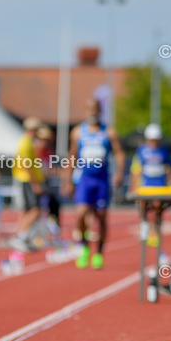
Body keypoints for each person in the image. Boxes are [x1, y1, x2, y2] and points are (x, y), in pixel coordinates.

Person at [65, 99, 124, 269]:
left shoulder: (109, 132)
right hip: (84, 179)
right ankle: (84, 246)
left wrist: (119, 172)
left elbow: (119, 153)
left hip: (102, 180)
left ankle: (98, 252)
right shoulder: (78, 132)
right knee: (81, 213)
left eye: (95, 109)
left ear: (100, 111)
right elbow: (72, 156)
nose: (92, 112)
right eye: (89, 109)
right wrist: (68, 180)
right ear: (85, 111)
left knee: (101, 216)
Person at [9, 117, 46, 251]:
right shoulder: (25, 143)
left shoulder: (28, 142)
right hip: (26, 179)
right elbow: (26, 165)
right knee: (35, 209)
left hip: (26, 179)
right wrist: (35, 183)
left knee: (27, 210)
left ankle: (22, 236)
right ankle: (21, 236)